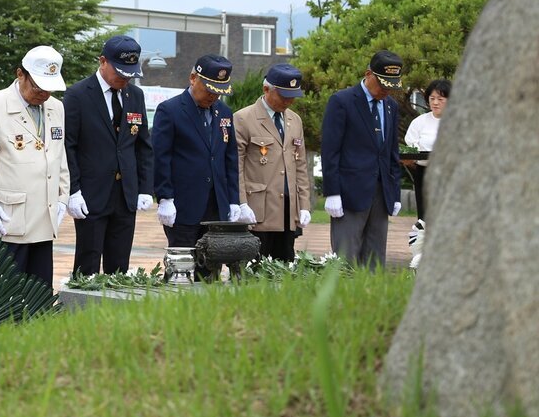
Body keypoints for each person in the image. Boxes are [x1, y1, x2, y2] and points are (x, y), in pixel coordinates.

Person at [0, 46, 70, 287]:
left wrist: (63, 198)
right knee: (7, 294)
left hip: (45, 216)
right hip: (10, 218)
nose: (44, 94)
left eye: (49, 88)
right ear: (20, 74)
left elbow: (60, 156)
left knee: (39, 294)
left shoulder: (56, 107)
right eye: (38, 87)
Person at [64, 34, 153, 276]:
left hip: (125, 195)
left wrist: (145, 187)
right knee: (88, 263)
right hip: (91, 194)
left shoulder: (135, 96)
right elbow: (68, 146)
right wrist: (73, 191)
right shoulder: (78, 95)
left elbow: (142, 145)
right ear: (103, 61)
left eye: (130, 74)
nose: (125, 79)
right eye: (120, 72)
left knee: (120, 264)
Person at [153, 54, 240, 279]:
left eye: (218, 91)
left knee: (210, 269)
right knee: (181, 269)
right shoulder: (170, 110)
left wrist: (233, 199)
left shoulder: (224, 113)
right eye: (209, 89)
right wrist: (165, 197)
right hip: (183, 205)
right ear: (193, 78)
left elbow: (229, 158)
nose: (213, 95)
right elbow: (161, 157)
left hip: (215, 206)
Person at [321, 50, 404, 268]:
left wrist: (394, 192)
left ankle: (370, 300)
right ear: (368, 74)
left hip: (380, 192)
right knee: (346, 257)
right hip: (349, 192)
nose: (387, 90)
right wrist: (332, 192)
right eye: (383, 84)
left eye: (391, 86)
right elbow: (330, 151)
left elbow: (391, 153)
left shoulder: (390, 106)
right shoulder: (342, 101)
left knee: (375, 258)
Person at [233, 63, 311, 263]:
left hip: (287, 211)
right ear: (266, 89)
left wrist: (304, 205)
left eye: (293, 95)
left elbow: (300, 164)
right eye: (284, 95)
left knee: (284, 269)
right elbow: (236, 166)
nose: (289, 101)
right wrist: (241, 203)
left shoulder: (295, 120)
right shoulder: (244, 118)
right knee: (254, 269)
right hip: (258, 209)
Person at [404, 78, 450, 226]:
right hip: (424, 173)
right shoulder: (419, 122)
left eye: (440, 99)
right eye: (432, 98)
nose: (435, 103)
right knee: (425, 216)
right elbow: (411, 144)